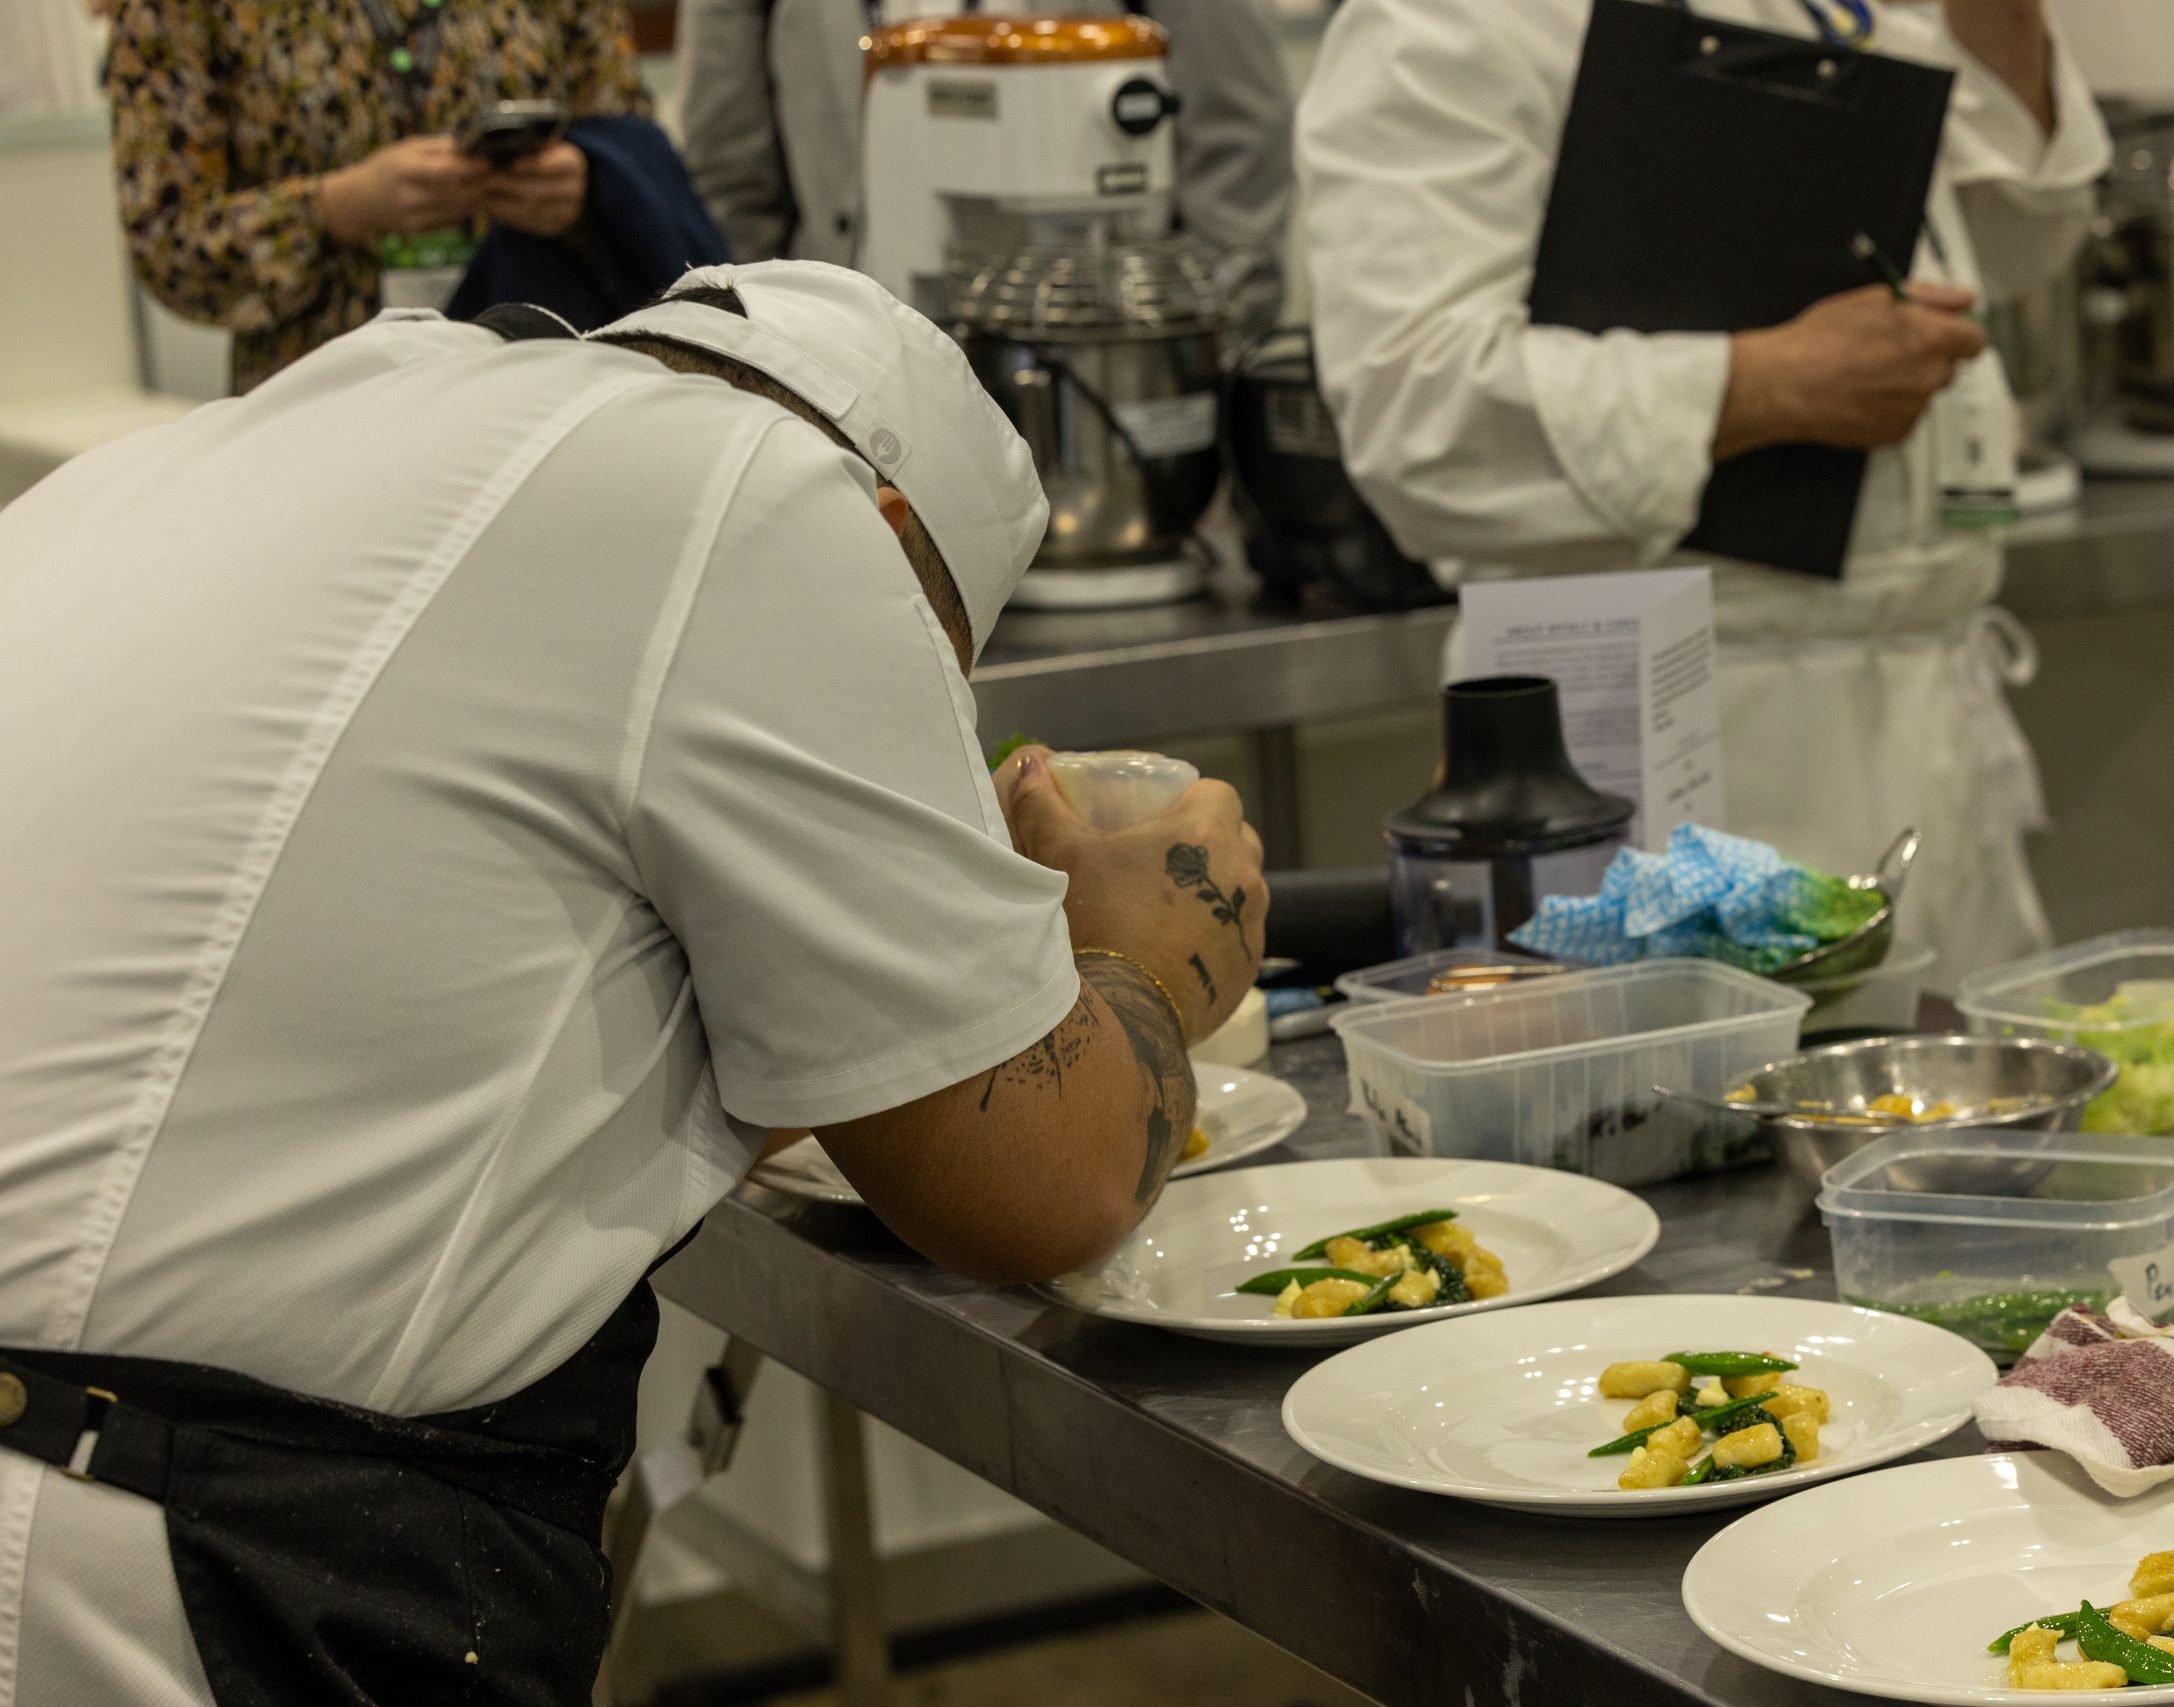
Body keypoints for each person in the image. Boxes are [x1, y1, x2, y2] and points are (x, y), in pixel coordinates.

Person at [0, 260, 1266, 1706]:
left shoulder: (244, 449)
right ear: (885, 538)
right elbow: (1049, 1184)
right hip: (148, 1548)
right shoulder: (768, 501)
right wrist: (1141, 957)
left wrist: (938, 963)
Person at [1297, 0, 2109, 979]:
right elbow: (1417, 417)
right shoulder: (1449, 21)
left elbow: (2015, 239)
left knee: (1952, 1071)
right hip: (1679, 742)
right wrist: (1767, 385)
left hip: (1931, 723)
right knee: (1717, 1073)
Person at [105, 0, 658, 391]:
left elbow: (638, 153)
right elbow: (166, 241)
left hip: (541, 383)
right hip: (320, 409)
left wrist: (584, 184)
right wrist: (336, 208)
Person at [678, 0, 1298, 333]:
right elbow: (729, 155)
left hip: (1100, 337)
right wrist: (767, 335)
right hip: (844, 340)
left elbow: (1236, 130)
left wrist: (1203, 345)